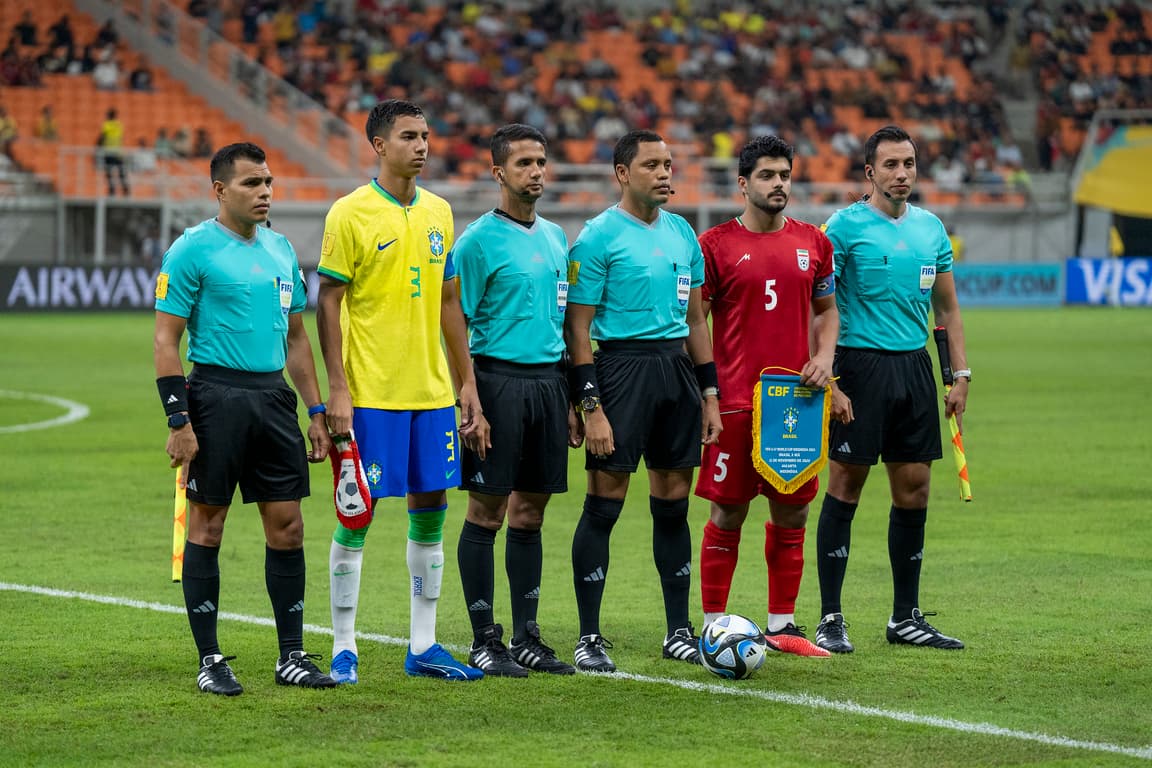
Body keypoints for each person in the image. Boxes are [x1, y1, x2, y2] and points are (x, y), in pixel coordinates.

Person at [153, 141, 337, 695]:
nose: (264, 192)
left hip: (273, 400)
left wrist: (316, 411)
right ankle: (210, 659)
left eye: (268, 182)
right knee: (208, 527)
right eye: (252, 183)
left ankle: (292, 656)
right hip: (214, 398)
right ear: (219, 190)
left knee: (289, 527)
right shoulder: (192, 250)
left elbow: (298, 340)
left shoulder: (281, 248)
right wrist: (178, 421)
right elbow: (166, 339)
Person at [316, 99, 486, 683]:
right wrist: (338, 387)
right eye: (410, 136)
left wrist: (466, 383)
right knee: (356, 514)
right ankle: (344, 647)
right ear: (380, 145)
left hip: (432, 392)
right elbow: (329, 301)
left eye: (427, 134)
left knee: (432, 510)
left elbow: (447, 303)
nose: (422, 145)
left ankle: (423, 645)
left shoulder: (440, 212)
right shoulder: (350, 213)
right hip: (371, 394)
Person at [564, 129, 723, 672]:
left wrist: (709, 394)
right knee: (604, 505)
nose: (664, 173)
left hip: (676, 371)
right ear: (622, 173)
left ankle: (679, 630)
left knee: (674, 506)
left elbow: (698, 320)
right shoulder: (596, 238)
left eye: (669, 164)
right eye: (653, 164)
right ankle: (589, 636)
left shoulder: (684, 235)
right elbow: (577, 330)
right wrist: (591, 404)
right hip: (620, 371)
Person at [813, 125, 970, 653]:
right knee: (845, 487)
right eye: (891, 165)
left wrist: (959, 375)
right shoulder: (841, 228)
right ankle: (830, 617)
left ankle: (906, 617)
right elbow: (820, 308)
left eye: (909, 163)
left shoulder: (931, 229)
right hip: (859, 369)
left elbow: (946, 310)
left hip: (914, 370)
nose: (901, 173)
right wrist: (830, 379)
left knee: (914, 489)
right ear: (869, 173)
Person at [695, 136, 850, 658]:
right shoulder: (714, 244)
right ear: (743, 183)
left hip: (798, 403)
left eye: (784, 174)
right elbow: (696, 321)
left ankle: (782, 625)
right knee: (728, 513)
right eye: (767, 175)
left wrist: (826, 360)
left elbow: (827, 312)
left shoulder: (814, 242)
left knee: (793, 515)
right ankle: (714, 625)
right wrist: (708, 393)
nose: (778, 183)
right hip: (737, 402)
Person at [452, 123, 579, 677]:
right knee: (488, 509)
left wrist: (574, 396)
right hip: (497, 381)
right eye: (524, 163)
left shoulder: (555, 238)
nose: (536, 172)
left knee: (531, 511)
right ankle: (484, 637)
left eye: (541, 162)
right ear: (498, 171)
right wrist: (469, 395)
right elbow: (454, 318)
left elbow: (565, 325)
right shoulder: (476, 242)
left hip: (549, 385)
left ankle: (527, 635)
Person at [97, 108, 129, 196]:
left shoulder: (106, 124)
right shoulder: (119, 124)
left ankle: (112, 191)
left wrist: (98, 146)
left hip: (109, 152)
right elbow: (120, 137)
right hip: (118, 151)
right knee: (121, 172)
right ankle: (126, 189)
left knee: (109, 172)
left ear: (109, 115)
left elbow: (102, 137)